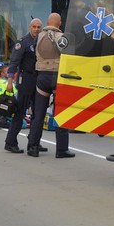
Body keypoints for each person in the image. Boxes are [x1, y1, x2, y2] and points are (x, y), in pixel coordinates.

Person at [27, 13, 74, 158]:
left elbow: (32, 54)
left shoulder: (38, 37)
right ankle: (61, 150)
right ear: (59, 24)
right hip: (58, 77)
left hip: (42, 77)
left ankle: (33, 147)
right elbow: (70, 56)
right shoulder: (63, 38)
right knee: (60, 113)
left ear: (47, 22)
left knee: (39, 114)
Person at [3, 18, 48, 154]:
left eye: (39, 27)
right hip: (25, 78)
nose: (36, 29)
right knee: (20, 111)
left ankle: (34, 141)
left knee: (38, 112)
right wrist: (10, 82)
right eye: (34, 26)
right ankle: (10, 142)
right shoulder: (23, 42)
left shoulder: (42, 42)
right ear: (30, 27)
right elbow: (14, 63)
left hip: (38, 78)